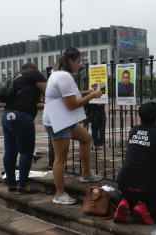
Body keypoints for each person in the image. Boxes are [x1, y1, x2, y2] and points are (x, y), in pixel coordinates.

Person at [43, 47, 103, 205]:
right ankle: (59, 194)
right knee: (60, 158)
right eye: (78, 62)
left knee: (87, 138)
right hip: (58, 121)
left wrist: (83, 93)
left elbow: (68, 96)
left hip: (62, 118)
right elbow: (72, 105)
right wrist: (91, 96)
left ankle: (86, 174)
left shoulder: (58, 74)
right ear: (70, 61)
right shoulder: (64, 77)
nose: (80, 65)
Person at [114, 99, 156, 225]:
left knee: (122, 188)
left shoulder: (133, 131)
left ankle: (124, 202)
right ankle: (146, 208)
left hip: (124, 185)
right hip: (147, 190)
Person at [2, 62, 47, 194]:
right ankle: (22, 185)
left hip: (6, 116)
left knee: (10, 153)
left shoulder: (17, 78)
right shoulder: (34, 73)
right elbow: (49, 93)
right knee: (26, 152)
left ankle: (11, 184)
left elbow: (33, 104)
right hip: (22, 117)